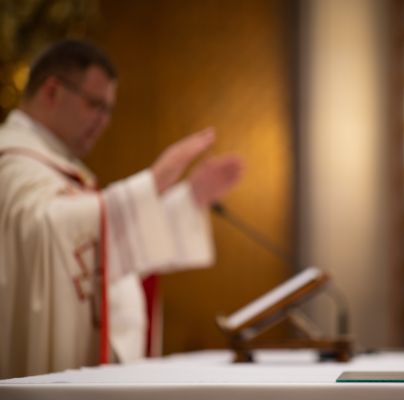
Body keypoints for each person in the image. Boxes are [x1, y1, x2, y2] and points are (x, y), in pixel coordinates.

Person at [0, 39, 243, 378]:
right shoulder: (12, 162)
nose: (103, 121)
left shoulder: (60, 167)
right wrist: (153, 182)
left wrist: (189, 198)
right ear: (52, 91)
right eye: (95, 104)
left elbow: (106, 241)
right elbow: (43, 233)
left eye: (109, 110)